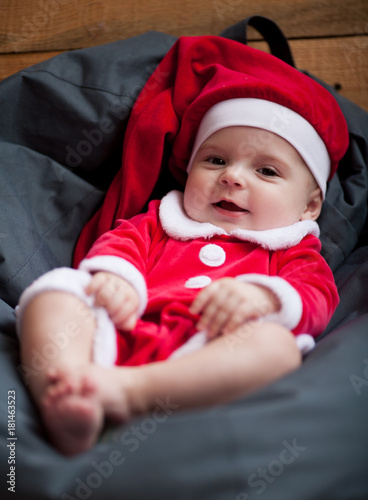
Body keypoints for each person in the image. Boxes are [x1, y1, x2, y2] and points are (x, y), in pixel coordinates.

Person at [16, 36, 349, 456]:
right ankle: (66, 385)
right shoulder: (161, 220)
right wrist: (114, 279)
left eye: (266, 170)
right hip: (123, 329)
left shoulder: (292, 250)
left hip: (209, 354)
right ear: (189, 170)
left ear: (310, 205)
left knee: (276, 348)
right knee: (57, 292)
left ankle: (127, 392)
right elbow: (119, 244)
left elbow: (318, 295)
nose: (232, 178)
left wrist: (265, 296)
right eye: (215, 160)